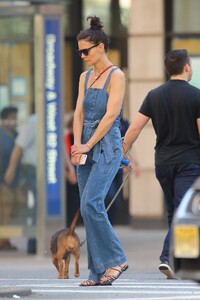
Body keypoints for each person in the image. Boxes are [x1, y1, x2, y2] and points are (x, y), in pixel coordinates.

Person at [122, 49, 200, 279]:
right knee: (181, 211)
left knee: (173, 210)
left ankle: (180, 258)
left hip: (163, 163)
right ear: (187, 67)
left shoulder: (154, 95)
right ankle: (168, 257)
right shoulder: (196, 96)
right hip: (189, 163)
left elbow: (135, 127)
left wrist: (122, 154)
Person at [71, 15, 128, 286]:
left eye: (86, 50)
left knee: (92, 202)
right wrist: (76, 144)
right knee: (86, 206)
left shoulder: (117, 76)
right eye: (80, 51)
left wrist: (89, 143)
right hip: (85, 145)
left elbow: (110, 116)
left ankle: (116, 259)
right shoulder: (84, 77)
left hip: (107, 145)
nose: (82, 55)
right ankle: (96, 271)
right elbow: (79, 112)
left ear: (101, 47)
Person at [4, 113, 37, 254]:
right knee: (38, 206)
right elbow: (18, 147)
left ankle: (35, 241)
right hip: (31, 169)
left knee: (37, 205)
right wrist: (10, 170)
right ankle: (33, 242)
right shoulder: (33, 122)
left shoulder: (53, 120)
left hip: (46, 170)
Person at [0, 106, 19, 250]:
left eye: (15, 118)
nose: (14, 121)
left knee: (13, 208)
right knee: (5, 209)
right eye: (12, 118)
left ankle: (5, 239)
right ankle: (3, 240)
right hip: (2, 179)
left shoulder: (16, 134)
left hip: (14, 181)